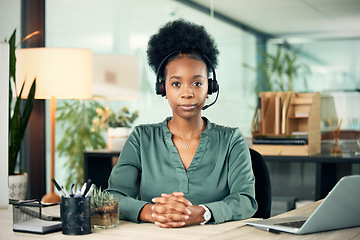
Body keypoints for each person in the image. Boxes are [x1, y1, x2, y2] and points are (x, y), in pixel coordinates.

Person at [107, 19, 257, 228]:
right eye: (176, 84)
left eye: (197, 83)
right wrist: (151, 212)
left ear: (210, 87)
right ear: (163, 88)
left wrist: (202, 213)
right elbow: (114, 196)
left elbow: (246, 200)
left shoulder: (231, 140)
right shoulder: (141, 138)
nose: (187, 93)